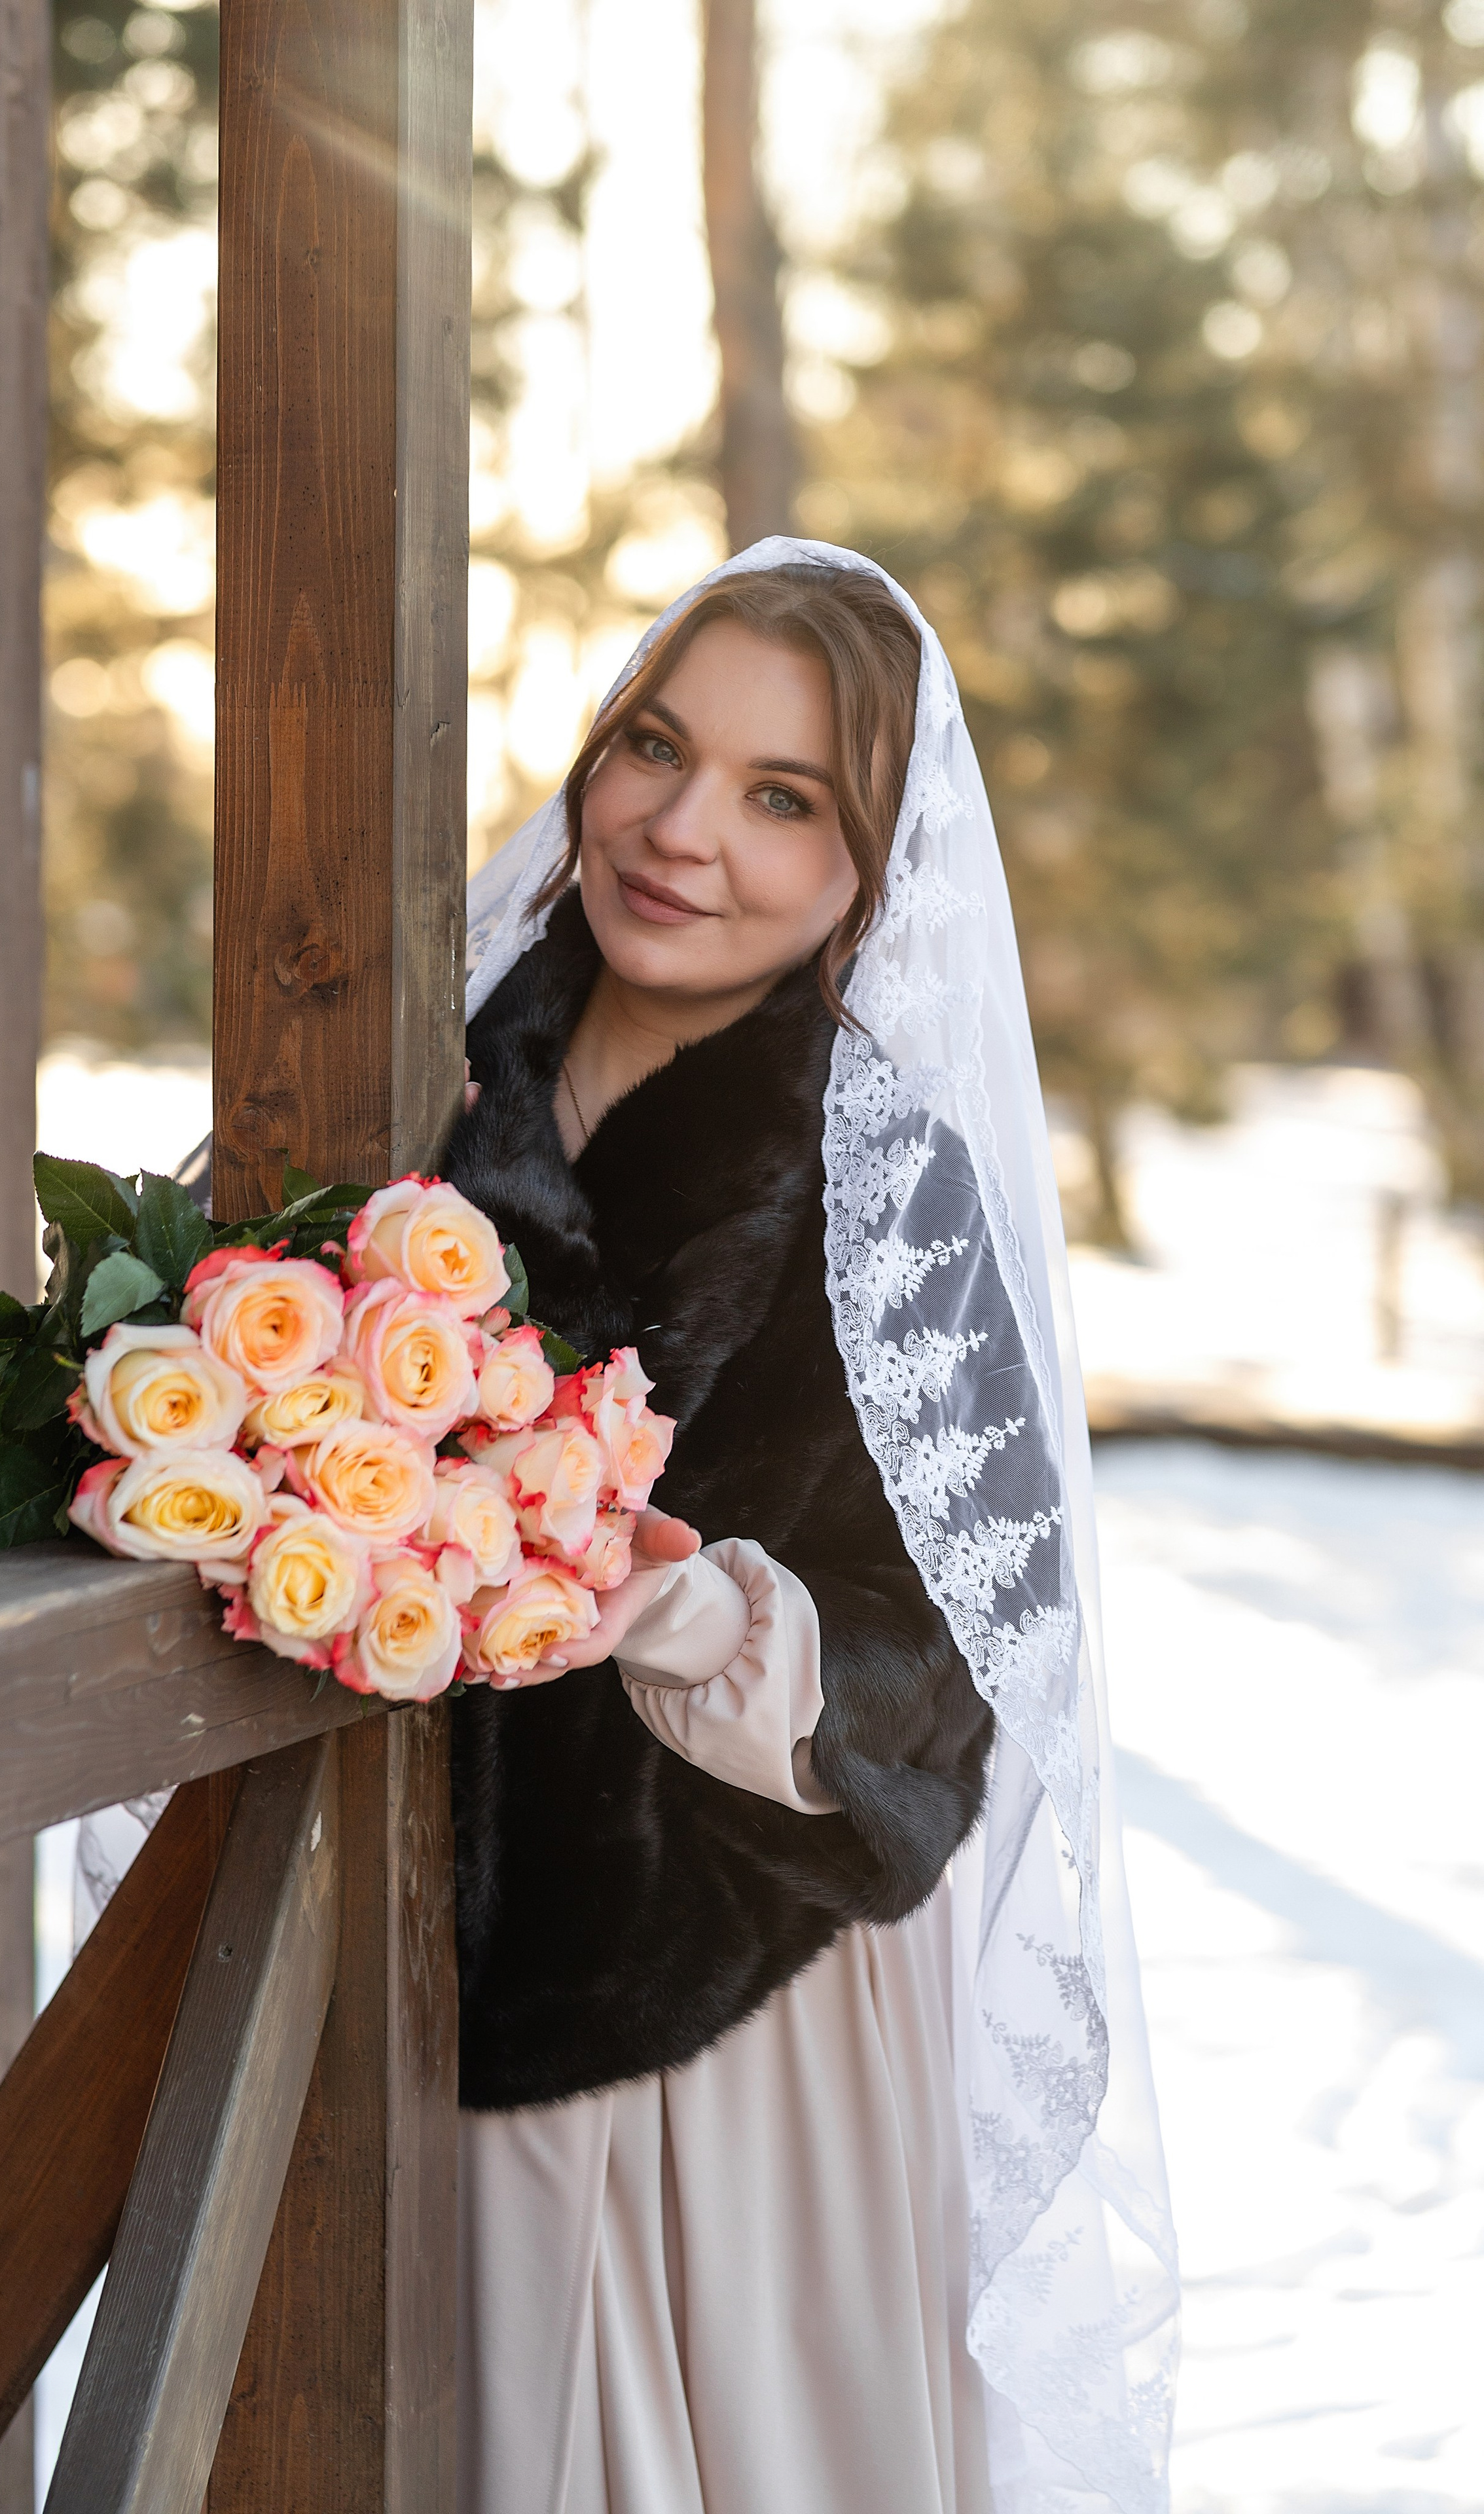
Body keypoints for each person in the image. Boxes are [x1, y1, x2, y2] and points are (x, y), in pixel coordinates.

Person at [448, 539, 1178, 2514]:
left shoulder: (898, 1207)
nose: (684, 831)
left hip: (728, 2025)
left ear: (877, 866)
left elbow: (954, 1680)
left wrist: (712, 1627)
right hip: (373, 1986)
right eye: (656, 750)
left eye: (786, 800)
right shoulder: (413, 1091)